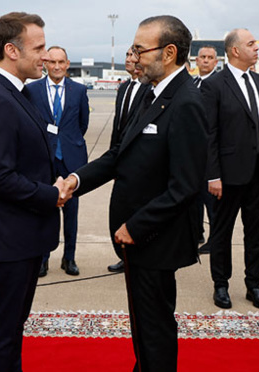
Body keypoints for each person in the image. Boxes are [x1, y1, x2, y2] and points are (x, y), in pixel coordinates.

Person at [63, 15, 207, 371]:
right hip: (136, 240)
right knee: (143, 322)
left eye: (140, 49)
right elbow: (118, 154)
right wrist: (76, 181)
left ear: (169, 52)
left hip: (155, 239)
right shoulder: (148, 92)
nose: (134, 56)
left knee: (155, 324)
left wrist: (136, 227)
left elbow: (186, 186)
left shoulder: (186, 102)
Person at [0, 12, 69, 371]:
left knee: (13, 324)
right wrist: (52, 195)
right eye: (38, 48)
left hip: (27, 233)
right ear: (11, 50)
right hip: (12, 235)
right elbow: (0, 177)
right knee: (3, 329)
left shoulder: (16, 92)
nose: (47, 57)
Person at [201, 28, 259, 310]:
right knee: (222, 232)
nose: (257, 47)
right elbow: (208, 134)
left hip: (258, 172)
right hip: (227, 175)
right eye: (251, 43)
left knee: (255, 231)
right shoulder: (215, 85)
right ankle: (220, 284)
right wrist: (213, 175)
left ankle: (253, 284)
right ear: (235, 50)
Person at [27, 46, 90, 277]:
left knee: (71, 212)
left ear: (67, 63)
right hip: (44, 158)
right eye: (52, 62)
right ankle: (43, 258)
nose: (56, 66)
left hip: (71, 159)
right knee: (45, 209)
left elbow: (82, 124)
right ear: (45, 63)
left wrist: (68, 143)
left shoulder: (79, 90)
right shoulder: (32, 90)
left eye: (61, 62)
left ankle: (69, 258)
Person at [106, 47, 150, 274]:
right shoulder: (123, 89)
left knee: (136, 211)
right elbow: (118, 126)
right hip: (120, 157)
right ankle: (124, 255)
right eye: (127, 56)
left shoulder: (148, 90)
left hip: (137, 162)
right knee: (120, 211)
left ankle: (136, 256)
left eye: (133, 55)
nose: (129, 59)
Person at [193, 45, 218, 254]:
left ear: (216, 62)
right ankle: (197, 232)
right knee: (194, 197)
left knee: (211, 202)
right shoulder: (192, 83)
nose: (206, 61)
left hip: (210, 153)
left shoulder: (219, 85)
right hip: (193, 153)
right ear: (196, 61)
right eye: (203, 57)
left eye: (210, 58)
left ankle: (214, 238)